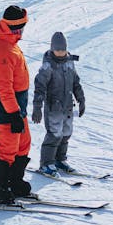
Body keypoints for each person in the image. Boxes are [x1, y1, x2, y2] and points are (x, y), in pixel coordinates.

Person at [0, 5, 32, 204]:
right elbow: (3, 86)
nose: (21, 31)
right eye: (19, 27)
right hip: (5, 107)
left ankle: (13, 182)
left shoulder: (9, 40)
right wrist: (13, 114)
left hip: (16, 106)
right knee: (7, 148)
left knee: (23, 143)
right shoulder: (1, 48)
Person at [32, 32, 85, 175]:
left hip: (68, 105)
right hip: (53, 107)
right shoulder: (48, 66)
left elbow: (76, 83)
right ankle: (46, 163)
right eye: (58, 50)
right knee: (54, 134)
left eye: (63, 50)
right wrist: (37, 107)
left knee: (66, 133)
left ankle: (59, 159)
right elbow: (39, 87)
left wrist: (81, 99)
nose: (61, 53)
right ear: (52, 49)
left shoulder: (69, 62)